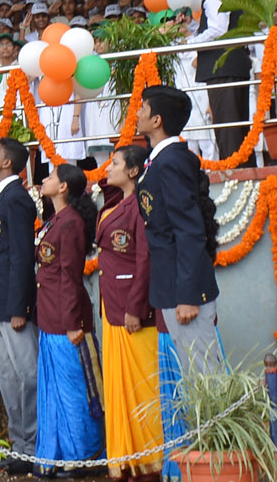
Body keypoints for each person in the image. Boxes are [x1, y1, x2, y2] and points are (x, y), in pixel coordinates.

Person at [135, 85, 223, 481]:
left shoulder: (171, 161)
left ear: (157, 120)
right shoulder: (160, 161)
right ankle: (208, 457)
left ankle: (220, 456)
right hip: (171, 284)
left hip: (185, 289)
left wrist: (189, 294)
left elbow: (189, 230)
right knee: (193, 376)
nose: (136, 113)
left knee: (206, 377)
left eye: (142, 108)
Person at [97, 146, 161, 482]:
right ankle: (126, 460)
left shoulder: (140, 207)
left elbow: (145, 259)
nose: (109, 168)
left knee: (142, 387)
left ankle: (150, 461)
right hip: (112, 308)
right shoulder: (115, 205)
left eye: (116, 163)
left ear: (134, 171)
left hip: (132, 311)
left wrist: (137, 308)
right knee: (119, 388)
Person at [35, 163, 104, 472]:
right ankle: (60, 454)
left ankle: (85, 454)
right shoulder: (54, 220)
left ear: (63, 187)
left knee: (76, 390)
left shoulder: (71, 223)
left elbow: (70, 277)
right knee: (55, 391)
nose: (44, 180)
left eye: (50, 177)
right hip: (50, 316)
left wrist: (74, 323)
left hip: (68, 322)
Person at [0, 137, 38, 470]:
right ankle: (19, 445)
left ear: (9, 164)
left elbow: (21, 256)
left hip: (12, 306)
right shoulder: (1, 194)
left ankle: (31, 445)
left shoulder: (16, 199)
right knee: (8, 378)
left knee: (27, 377)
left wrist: (19, 307)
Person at [187, 0, 250, 160]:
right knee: (237, 123)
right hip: (232, 65)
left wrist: (190, 43)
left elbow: (217, 30)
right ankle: (241, 166)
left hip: (222, 67)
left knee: (227, 123)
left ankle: (232, 169)